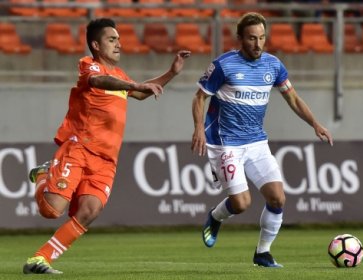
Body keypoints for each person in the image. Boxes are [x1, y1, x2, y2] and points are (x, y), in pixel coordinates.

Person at [23, 18, 190, 274]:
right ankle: (43, 175)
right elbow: (100, 83)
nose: (118, 44)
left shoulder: (121, 76)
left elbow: (143, 93)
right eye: (112, 39)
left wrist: (171, 72)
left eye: (119, 39)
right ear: (96, 45)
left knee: (91, 210)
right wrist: (133, 85)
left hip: (106, 160)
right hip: (80, 148)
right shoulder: (88, 66)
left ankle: (41, 258)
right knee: (51, 210)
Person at [191, 12, 333, 268]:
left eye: (262, 38)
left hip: (256, 142)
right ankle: (215, 217)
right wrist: (198, 128)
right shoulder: (223, 65)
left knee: (278, 198)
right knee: (241, 203)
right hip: (226, 143)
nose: (257, 44)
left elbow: (293, 99)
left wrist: (315, 123)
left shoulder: (273, 66)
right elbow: (199, 97)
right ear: (240, 39)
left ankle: (263, 253)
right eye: (252, 38)